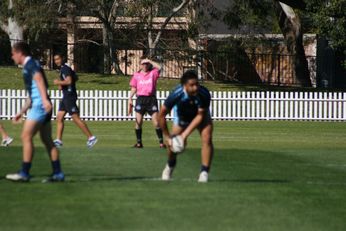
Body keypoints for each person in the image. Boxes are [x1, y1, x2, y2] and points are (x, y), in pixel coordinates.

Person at [6, 42, 64, 182]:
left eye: (13, 53)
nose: (12, 56)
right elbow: (32, 93)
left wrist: (44, 100)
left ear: (20, 53)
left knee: (26, 136)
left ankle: (24, 173)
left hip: (40, 106)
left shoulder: (30, 64)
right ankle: (58, 173)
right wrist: (22, 111)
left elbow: (38, 79)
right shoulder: (30, 64)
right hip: (41, 105)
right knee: (47, 140)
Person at [159, 70, 214, 183]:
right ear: (184, 86)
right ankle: (170, 165)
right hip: (182, 116)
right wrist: (167, 137)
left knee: (207, 137)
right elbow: (161, 115)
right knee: (173, 144)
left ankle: (204, 172)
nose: (195, 88)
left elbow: (200, 116)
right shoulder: (176, 94)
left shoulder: (204, 94)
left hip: (200, 116)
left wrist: (184, 135)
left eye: (197, 84)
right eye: (192, 85)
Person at [52, 54, 97, 148]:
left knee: (76, 118)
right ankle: (58, 140)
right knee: (59, 117)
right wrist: (62, 85)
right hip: (66, 96)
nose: (56, 61)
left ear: (62, 59)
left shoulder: (65, 68)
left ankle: (91, 137)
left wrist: (58, 82)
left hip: (69, 96)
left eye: (58, 59)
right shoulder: (64, 69)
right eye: (55, 59)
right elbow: (75, 78)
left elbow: (68, 81)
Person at [128, 57, 166, 148]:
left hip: (151, 100)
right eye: (143, 64)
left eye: (146, 64)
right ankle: (139, 143)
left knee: (156, 122)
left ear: (149, 64)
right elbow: (134, 88)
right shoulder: (136, 75)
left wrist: (150, 61)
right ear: (140, 65)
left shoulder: (153, 73)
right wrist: (130, 98)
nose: (145, 65)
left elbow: (160, 68)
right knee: (138, 122)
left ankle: (161, 143)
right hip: (140, 99)